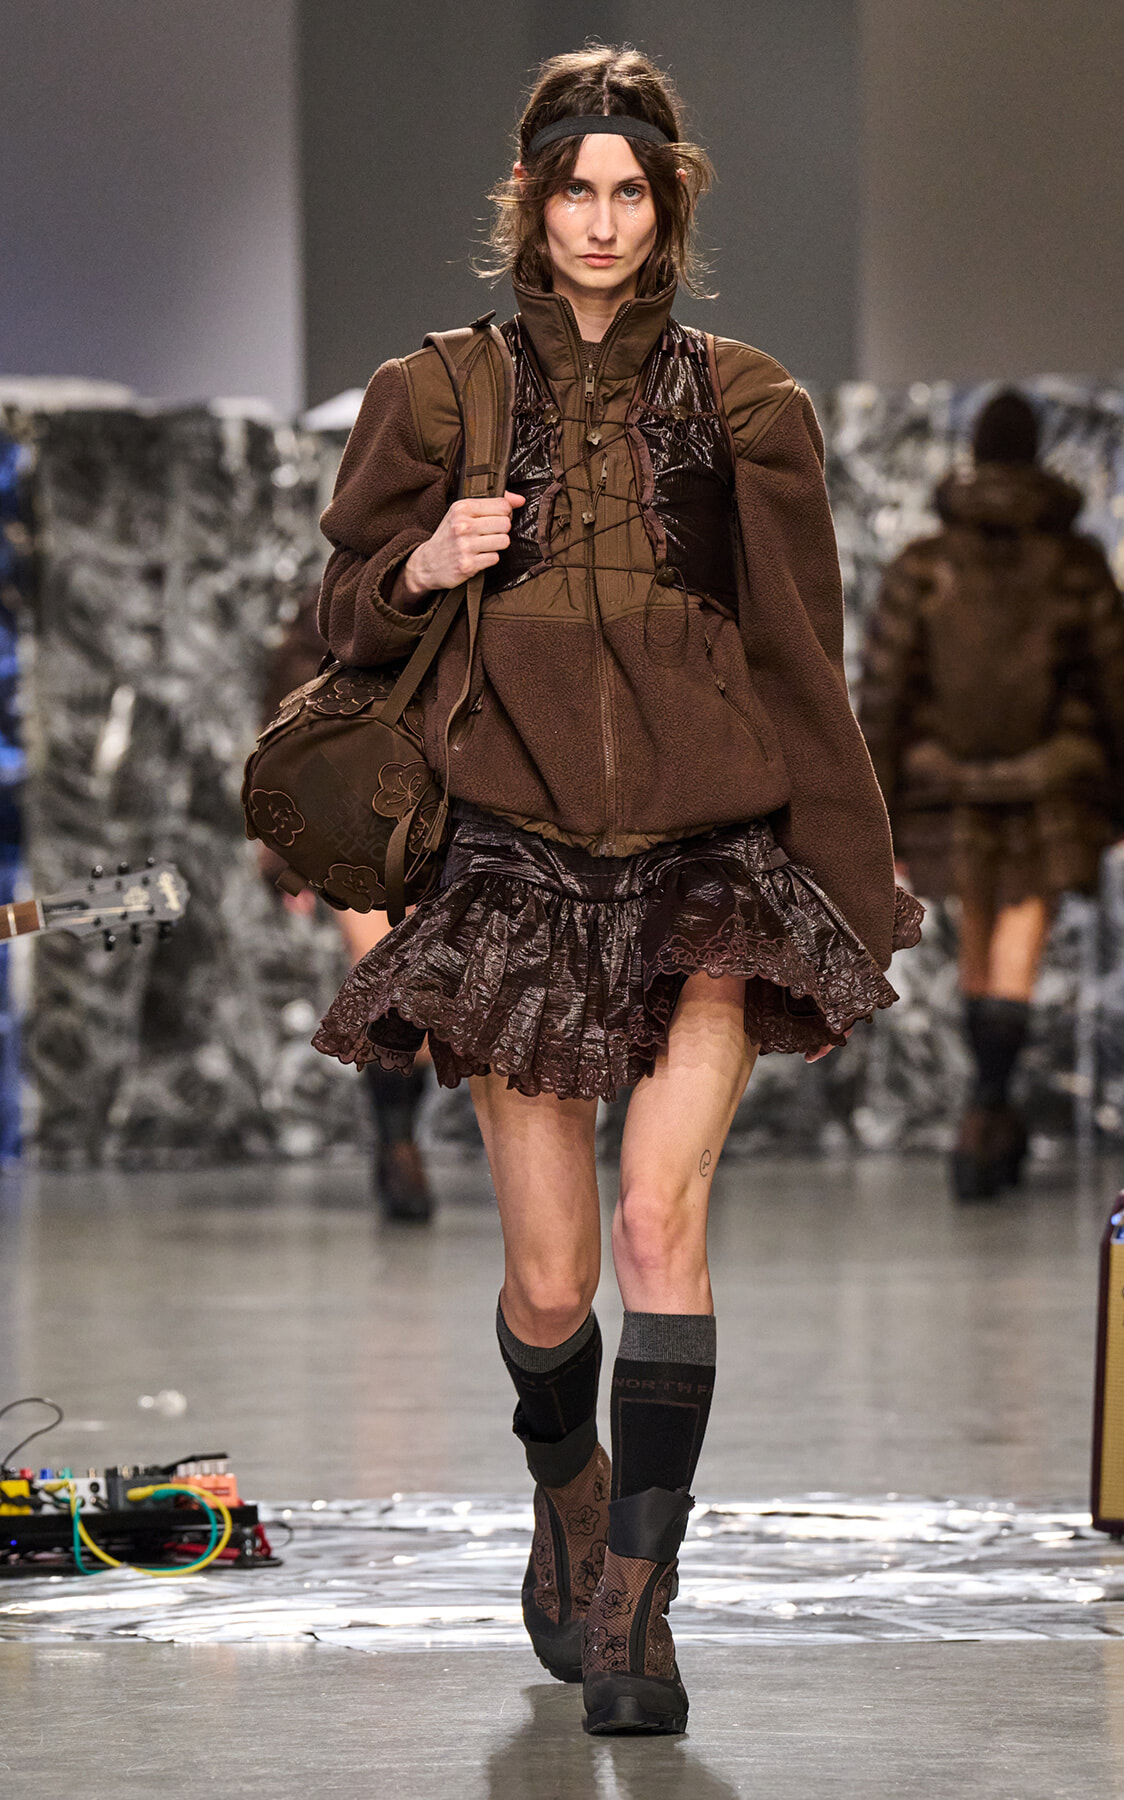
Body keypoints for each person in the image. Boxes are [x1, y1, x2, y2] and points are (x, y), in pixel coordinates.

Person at [310, 46, 920, 1735]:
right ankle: (564, 1482)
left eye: (628, 192)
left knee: (663, 1222)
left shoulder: (751, 406)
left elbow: (809, 664)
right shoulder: (436, 397)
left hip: (706, 863)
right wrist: (417, 563)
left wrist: (853, 877)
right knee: (556, 1281)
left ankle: (640, 1602)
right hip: (510, 861)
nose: (599, 218)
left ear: (667, 212)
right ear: (532, 202)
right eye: (573, 189)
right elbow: (339, 625)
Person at [859, 389, 1124, 1200]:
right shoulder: (1073, 563)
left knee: (982, 950)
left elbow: (884, 694)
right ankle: (990, 1112)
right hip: (1051, 789)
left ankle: (983, 1120)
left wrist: (876, 811)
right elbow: (1120, 686)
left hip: (944, 792)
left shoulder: (923, 563)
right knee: (1014, 950)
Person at [260, 597, 433, 1221]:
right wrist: (291, 851)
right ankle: (398, 1147)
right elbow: (287, 730)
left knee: (434, 1005)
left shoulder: (477, 599)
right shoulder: (335, 607)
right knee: (395, 992)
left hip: (456, 826)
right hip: (356, 824)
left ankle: (400, 1141)